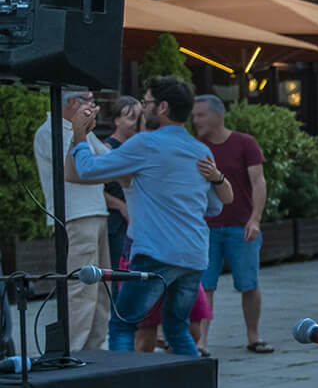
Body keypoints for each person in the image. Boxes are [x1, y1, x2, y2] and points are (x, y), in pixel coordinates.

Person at [66, 78, 232, 357]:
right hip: (194, 255)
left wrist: (79, 134)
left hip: (156, 252)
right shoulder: (200, 150)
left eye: (146, 102)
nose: (143, 108)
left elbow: (86, 169)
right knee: (176, 328)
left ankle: (121, 382)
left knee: (122, 325)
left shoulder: (145, 144)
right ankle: (194, 383)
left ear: (162, 107)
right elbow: (214, 207)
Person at [190, 95, 271, 353]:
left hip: (240, 225)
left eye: (201, 115)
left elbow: (258, 182)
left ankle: (253, 336)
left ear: (218, 115)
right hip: (206, 227)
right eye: (194, 115)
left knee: (249, 283)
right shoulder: (196, 147)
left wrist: (255, 219)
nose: (196, 120)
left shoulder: (245, 143)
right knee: (205, 284)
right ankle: (201, 342)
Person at [33, 88, 112, 351]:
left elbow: (107, 162)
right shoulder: (50, 131)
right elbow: (77, 169)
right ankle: (74, 350)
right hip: (76, 215)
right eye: (90, 101)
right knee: (81, 289)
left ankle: (95, 350)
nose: (94, 106)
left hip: (96, 212)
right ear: (73, 102)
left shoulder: (81, 132)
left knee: (101, 289)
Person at [101, 94, 141, 274]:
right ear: (117, 120)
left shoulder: (140, 146)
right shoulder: (107, 149)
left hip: (139, 221)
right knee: (120, 274)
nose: (136, 123)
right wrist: (121, 206)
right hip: (118, 223)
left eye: (139, 118)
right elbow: (95, 189)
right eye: (130, 118)